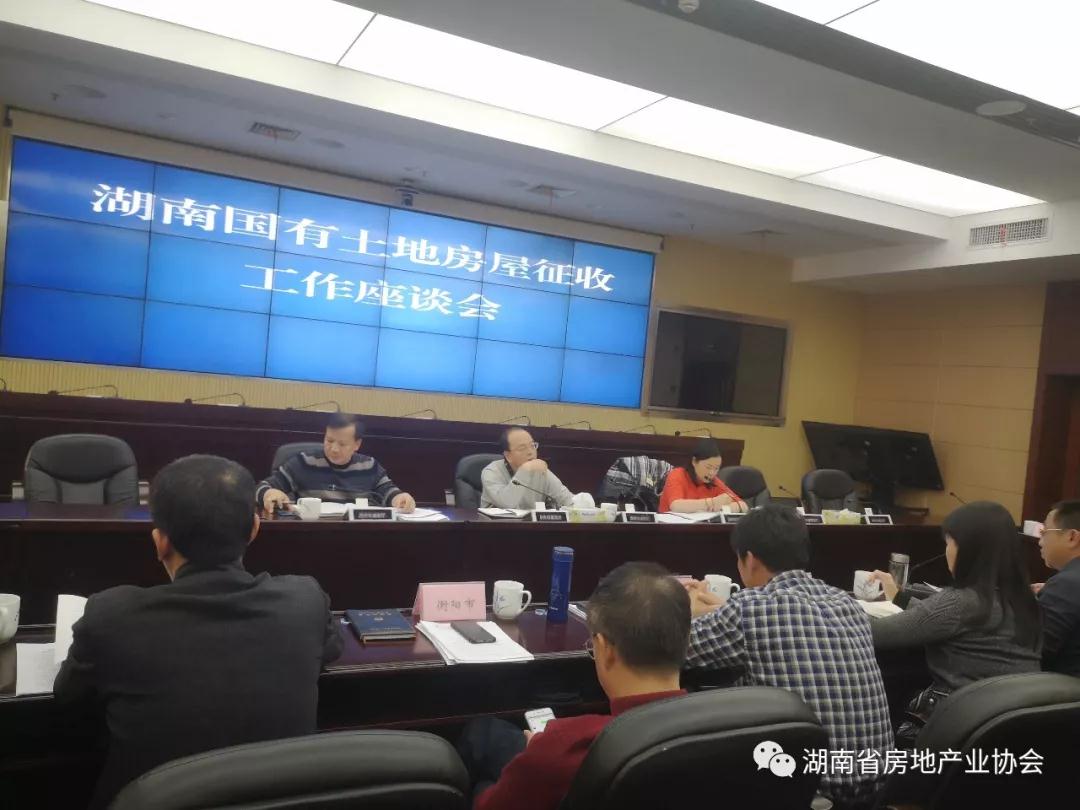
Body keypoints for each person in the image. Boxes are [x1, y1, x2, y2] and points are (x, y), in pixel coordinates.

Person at [54, 455, 343, 809]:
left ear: (160, 542)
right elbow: (330, 650)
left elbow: (68, 696)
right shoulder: (304, 600)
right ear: (255, 529)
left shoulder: (111, 614)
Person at [685, 505, 891, 808]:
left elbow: (674, 649)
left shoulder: (749, 608)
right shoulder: (847, 603)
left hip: (805, 791)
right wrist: (722, 610)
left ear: (749, 559)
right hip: (876, 788)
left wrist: (689, 612)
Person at [458, 562, 688, 810]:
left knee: (482, 761)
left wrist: (539, 756)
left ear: (606, 650)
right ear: (686, 642)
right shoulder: (715, 722)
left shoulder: (567, 745)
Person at [868, 501, 1041, 743]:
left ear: (968, 550)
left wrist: (838, 609)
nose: (946, 551)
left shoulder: (960, 602)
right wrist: (900, 597)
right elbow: (936, 618)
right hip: (1013, 727)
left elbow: (873, 633)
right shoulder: (1025, 602)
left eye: (949, 543)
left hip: (959, 726)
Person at [257, 413, 416, 513]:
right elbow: (261, 487)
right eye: (329, 440)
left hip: (358, 537)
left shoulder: (369, 466)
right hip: (311, 536)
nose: (333, 449)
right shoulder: (304, 462)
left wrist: (400, 497)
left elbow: (389, 492)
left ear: (357, 444)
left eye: (342, 444)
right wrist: (269, 493)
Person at [1032, 500, 1080, 675]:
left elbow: (1035, 652)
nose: (1040, 541)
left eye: (1044, 531)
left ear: (1072, 537)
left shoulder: (1067, 584)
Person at [480, 427, 573, 510]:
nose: (530, 452)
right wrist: (524, 470)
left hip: (530, 524)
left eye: (532, 446)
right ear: (508, 456)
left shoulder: (540, 471)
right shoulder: (491, 472)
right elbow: (507, 503)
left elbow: (569, 501)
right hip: (496, 523)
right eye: (522, 448)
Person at [658, 437, 746, 513]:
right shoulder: (677, 474)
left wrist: (723, 508)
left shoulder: (714, 481)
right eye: (708, 467)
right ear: (694, 461)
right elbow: (676, 506)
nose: (712, 473)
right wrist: (712, 503)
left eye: (716, 468)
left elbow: (743, 506)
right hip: (670, 526)